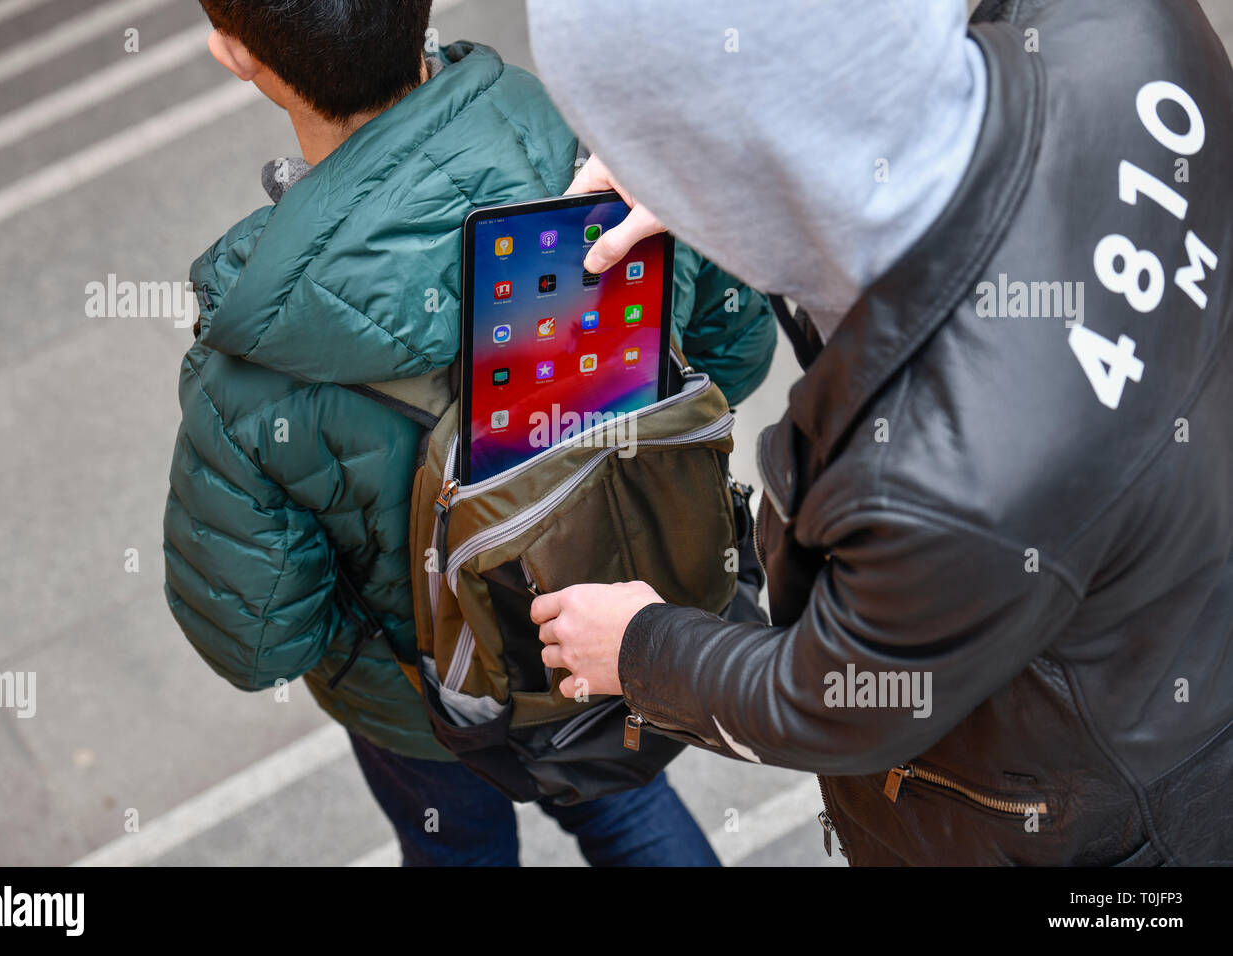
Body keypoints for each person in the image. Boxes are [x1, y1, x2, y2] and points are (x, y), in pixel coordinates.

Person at [528, 0, 1233, 864]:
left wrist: (644, 650)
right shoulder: (1125, 23)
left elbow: (829, 701)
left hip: (1106, 818)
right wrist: (723, 185)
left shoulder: (941, 489)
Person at [161, 0, 777, 866]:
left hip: (428, 711)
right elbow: (736, 355)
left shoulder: (244, 376)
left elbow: (257, 642)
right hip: (612, 623)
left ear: (235, 53)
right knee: (629, 811)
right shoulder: (607, 165)